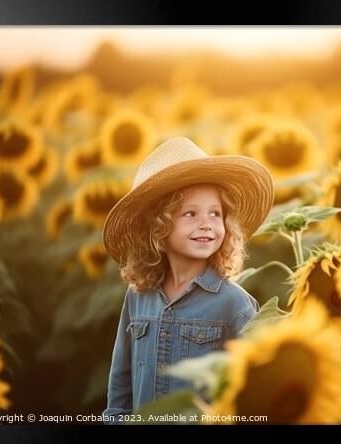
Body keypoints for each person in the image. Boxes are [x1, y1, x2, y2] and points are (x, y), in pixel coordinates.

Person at [101, 137, 274, 424]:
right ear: (156, 227)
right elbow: (121, 381)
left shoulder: (234, 304)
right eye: (190, 213)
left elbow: (256, 390)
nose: (206, 223)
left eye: (215, 214)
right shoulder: (138, 296)